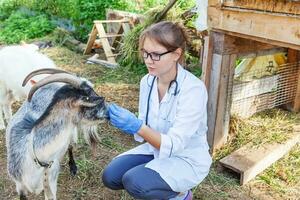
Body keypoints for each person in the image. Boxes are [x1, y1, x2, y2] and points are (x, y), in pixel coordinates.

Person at [102, 21, 212, 200]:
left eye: (155, 55)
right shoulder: (147, 81)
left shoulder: (193, 89)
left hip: (186, 158)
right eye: (145, 53)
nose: (148, 60)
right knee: (111, 177)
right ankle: (158, 182)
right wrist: (121, 120)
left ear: (176, 54)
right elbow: (143, 128)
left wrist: (137, 126)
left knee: (135, 182)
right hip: (155, 150)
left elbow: (175, 144)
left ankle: (181, 195)